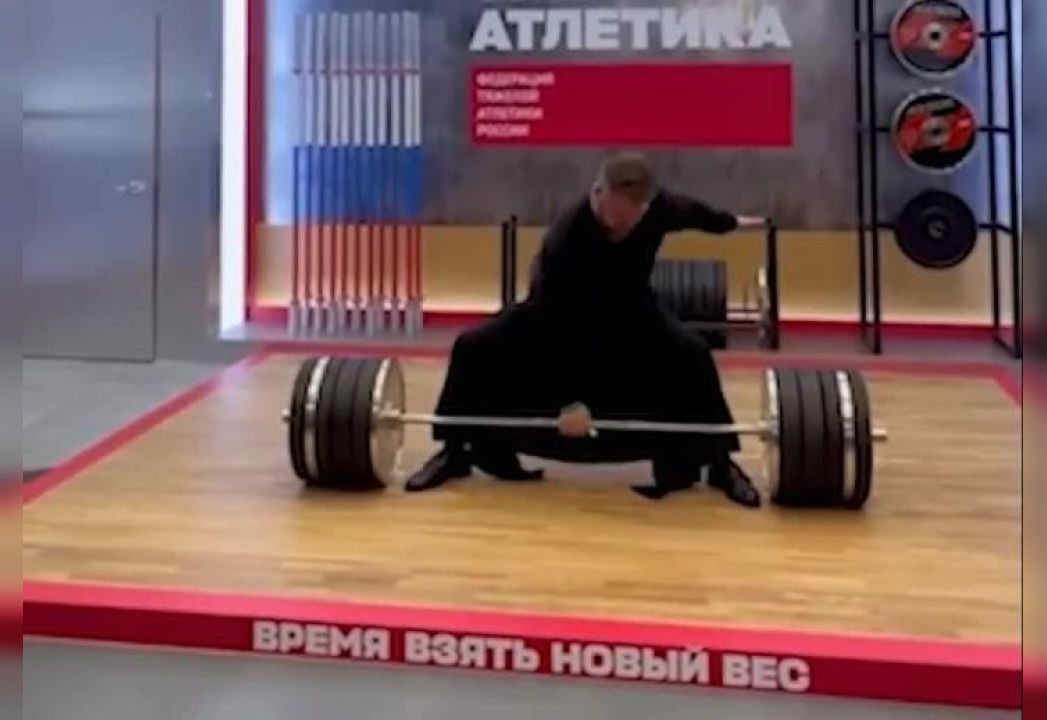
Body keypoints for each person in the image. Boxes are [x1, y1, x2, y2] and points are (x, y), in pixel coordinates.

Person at [405, 153, 763, 507]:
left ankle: (720, 463)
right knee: (472, 347)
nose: (623, 226)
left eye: (632, 217)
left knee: (694, 353)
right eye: (616, 215)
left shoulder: (657, 207)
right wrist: (571, 401)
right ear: (598, 193)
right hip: (558, 313)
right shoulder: (564, 240)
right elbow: (553, 326)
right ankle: (454, 451)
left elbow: (693, 213)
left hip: (632, 310)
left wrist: (733, 222)